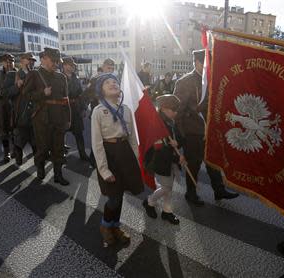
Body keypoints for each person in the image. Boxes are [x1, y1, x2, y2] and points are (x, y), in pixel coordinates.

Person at [173, 49, 239, 206]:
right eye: (205, 64)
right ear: (196, 62)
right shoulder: (184, 82)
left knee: (213, 162)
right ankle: (190, 193)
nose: (208, 67)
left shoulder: (212, 80)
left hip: (209, 131)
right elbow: (178, 112)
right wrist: (182, 136)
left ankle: (219, 190)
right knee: (194, 165)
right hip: (193, 132)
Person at [91, 73, 143, 246]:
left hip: (125, 153)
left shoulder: (126, 109)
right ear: (101, 90)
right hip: (109, 154)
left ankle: (115, 225)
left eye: (115, 81)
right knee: (113, 195)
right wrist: (104, 170)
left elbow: (132, 138)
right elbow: (97, 144)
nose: (113, 84)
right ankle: (105, 226)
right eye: (107, 83)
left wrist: (137, 159)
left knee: (120, 193)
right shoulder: (98, 111)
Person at [23, 48, 71, 185]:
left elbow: (65, 99)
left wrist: (68, 119)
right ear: (43, 58)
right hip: (41, 118)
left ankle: (58, 175)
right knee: (42, 147)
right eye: (53, 60)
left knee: (59, 148)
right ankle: (40, 168)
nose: (56, 63)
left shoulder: (61, 77)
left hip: (59, 118)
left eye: (57, 61)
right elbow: (26, 95)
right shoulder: (34, 74)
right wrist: (42, 93)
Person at [143, 94, 185, 225]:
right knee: (166, 187)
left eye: (177, 109)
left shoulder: (171, 122)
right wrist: (177, 156)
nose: (176, 112)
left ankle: (167, 211)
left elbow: (179, 137)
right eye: (174, 110)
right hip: (160, 161)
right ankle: (149, 201)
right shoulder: (157, 125)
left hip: (170, 160)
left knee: (169, 187)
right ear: (164, 108)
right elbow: (158, 149)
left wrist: (177, 143)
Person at [62, 57, 91, 161]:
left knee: (79, 133)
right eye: (70, 65)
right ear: (64, 65)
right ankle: (61, 153)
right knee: (61, 133)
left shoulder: (76, 78)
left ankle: (82, 154)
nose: (72, 67)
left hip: (75, 109)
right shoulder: (59, 78)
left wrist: (83, 108)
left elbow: (80, 95)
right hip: (63, 109)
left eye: (73, 65)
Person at [11, 52, 37, 166]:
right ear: (22, 60)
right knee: (19, 139)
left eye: (32, 60)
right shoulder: (14, 75)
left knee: (36, 140)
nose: (31, 61)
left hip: (35, 111)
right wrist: (17, 85)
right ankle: (18, 156)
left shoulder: (35, 74)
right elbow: (7, 93)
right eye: (28, 59)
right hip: (21, 112)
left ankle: (38, 163)